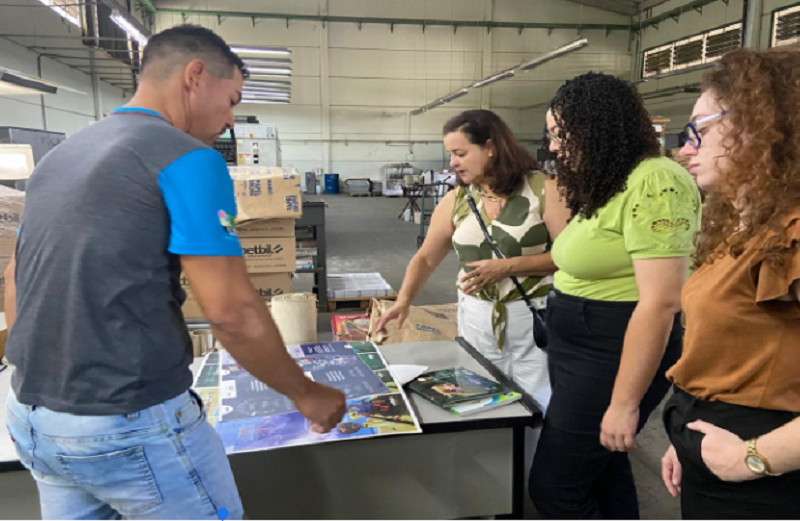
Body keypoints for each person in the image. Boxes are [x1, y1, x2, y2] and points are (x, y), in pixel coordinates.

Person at [3, 25, 345, 520]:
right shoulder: (187, 159)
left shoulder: (60, 157)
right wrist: (306, 394)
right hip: (130, 424)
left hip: (34, 419)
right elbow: (231, 312)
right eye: (231, 101)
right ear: (195, 76)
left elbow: (16, 278)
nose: (229, 123)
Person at [529, 72, 702, 519]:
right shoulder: (611, 181)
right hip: (579, 346)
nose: (553, 147)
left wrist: (623, 405)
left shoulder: (656, 181)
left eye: (560, 134)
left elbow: (662, 301)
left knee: (555, 487)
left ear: (598, 126)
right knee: (601, 470)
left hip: (608, 346)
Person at [661, 48, 800, 519]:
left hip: (764, 480)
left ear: (763, 125)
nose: (686, 148)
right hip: (717, 454)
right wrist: (687, 436)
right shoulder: (752, 230)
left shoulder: (793, 235)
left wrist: (753, 457)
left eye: (701, 128)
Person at [375, 109, 570, 411]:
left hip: (535, 319)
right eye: (451, 154)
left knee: (541, 403)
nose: (453, 162)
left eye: (460, 153)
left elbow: (571, 257)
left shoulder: (545, 190)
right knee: (480, 398)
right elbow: (426, 258)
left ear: (491, 148)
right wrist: (404, 300)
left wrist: (508, 266)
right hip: (475, 319)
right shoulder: (457, 200)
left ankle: (537, 459)